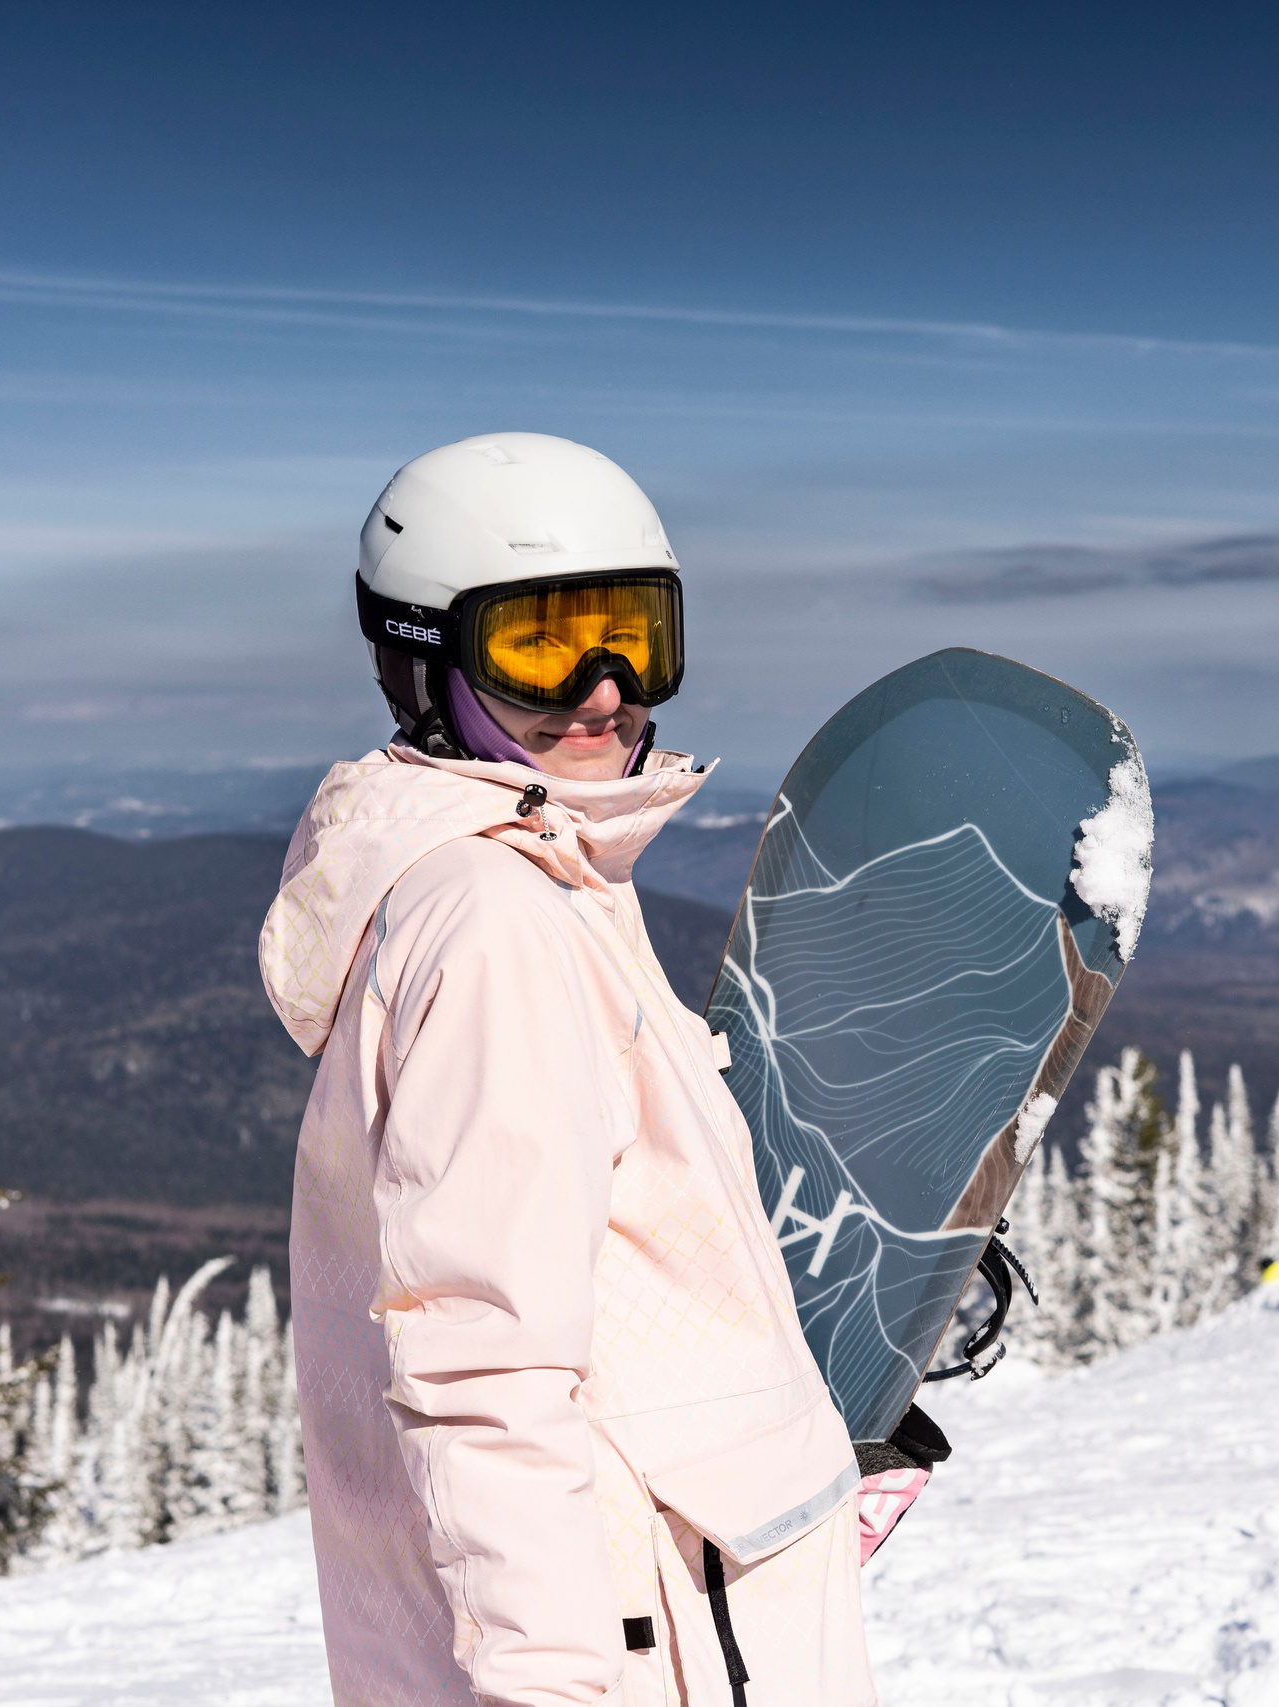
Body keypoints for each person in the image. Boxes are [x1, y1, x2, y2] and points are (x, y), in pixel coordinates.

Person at [260, 433, 879, 1706]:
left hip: (689, 1581)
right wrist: (548, 1685)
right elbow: (482, 1361)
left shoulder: (528, 883)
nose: (604, 691)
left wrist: (798, 1456)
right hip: (638, 1638)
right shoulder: (500, 925)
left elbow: (612, 1272)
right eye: (540, 648)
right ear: (425, 663)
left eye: (634, 638)